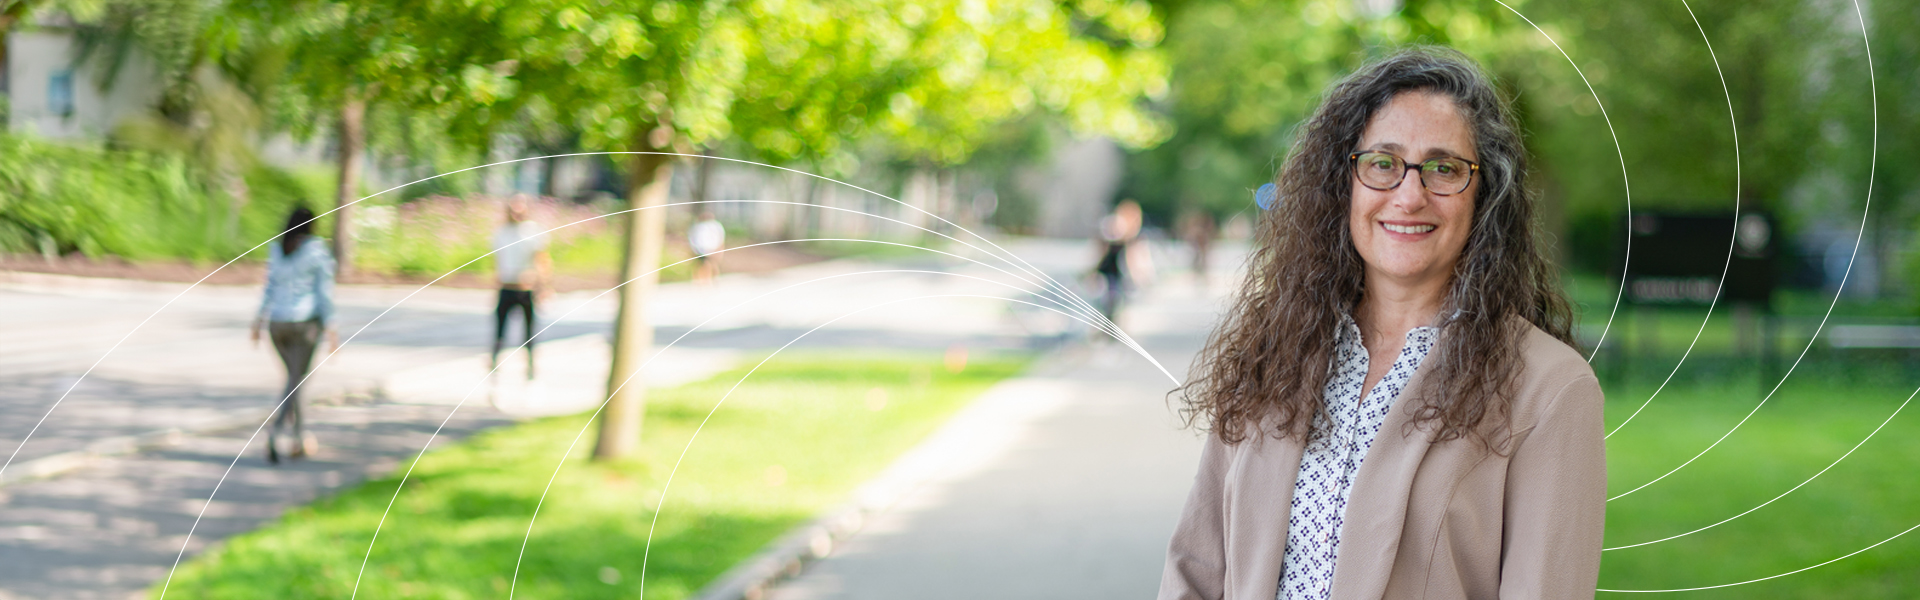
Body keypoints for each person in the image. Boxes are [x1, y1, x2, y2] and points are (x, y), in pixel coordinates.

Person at [1158, 47, 1603, 600]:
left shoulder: (1548, 389)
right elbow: (1197, 568)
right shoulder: (1278, 350)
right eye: (1383, 164)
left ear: (1484, 195)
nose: (1410, 196)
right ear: (1342, 182)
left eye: (1444, 169)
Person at [252, 206, 338, 464]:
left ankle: (299, 438)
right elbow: (324, 292)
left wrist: (258, 320)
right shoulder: (316, 250)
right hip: (304, 324)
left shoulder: (278, 249)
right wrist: (332, 328)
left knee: (294, 381)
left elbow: (269, 286)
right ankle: (275, 433)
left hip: (277, 324)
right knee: (295, 382)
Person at [491, 196, 551, 379]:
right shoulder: (502, 232)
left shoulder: (532, 232)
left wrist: (542, 284)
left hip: (525, 288)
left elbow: (541, 259)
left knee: (529, 332)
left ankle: (530, 366)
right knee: (500, 330)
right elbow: (498, 260)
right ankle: (494, 364)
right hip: (506, 286)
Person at [1093, 199, 1153, 323]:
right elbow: (1100, 252)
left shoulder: (1134, 238)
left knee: (1118, 302)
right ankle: (1107, 324)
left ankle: (1112, 324)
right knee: (1108, 300)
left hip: (1121, 275)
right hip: (1109, 273)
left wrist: (1141, 275)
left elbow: (1136, 258)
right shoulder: (1110, 232)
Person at [688, 211, 725, 284]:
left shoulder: (715, 226)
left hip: (711, 248)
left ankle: (712, 279)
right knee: (701, 264)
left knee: (711, 264)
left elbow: (720, 238)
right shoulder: (698, 226)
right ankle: (700, 280)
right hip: (701, 248)